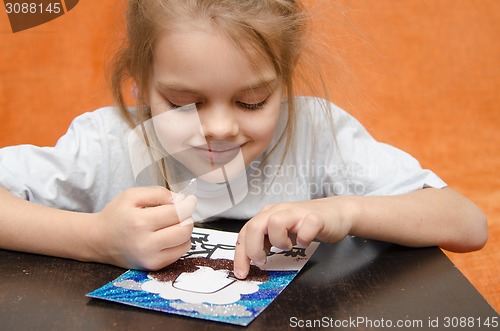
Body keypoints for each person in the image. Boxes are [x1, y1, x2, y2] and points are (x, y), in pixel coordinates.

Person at [0, 0, 487, 280]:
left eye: (252, 101)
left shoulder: (315, 135)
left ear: (285, 84)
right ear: (140, 88)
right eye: (182, 102)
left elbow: (466, 223)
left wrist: (344, 210)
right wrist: (96, 240)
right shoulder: (109, 141)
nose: (219, 128)